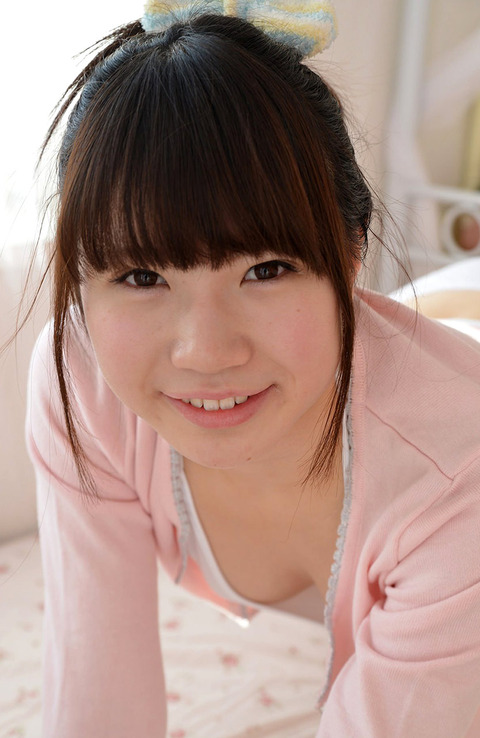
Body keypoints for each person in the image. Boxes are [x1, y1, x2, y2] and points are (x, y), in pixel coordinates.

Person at [25, 1, 480, 736]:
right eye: (142, 277)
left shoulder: (458, 477)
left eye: (265, 269)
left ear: (353, 255)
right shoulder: (82, 377)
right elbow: (94, 693)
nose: (206, 353)